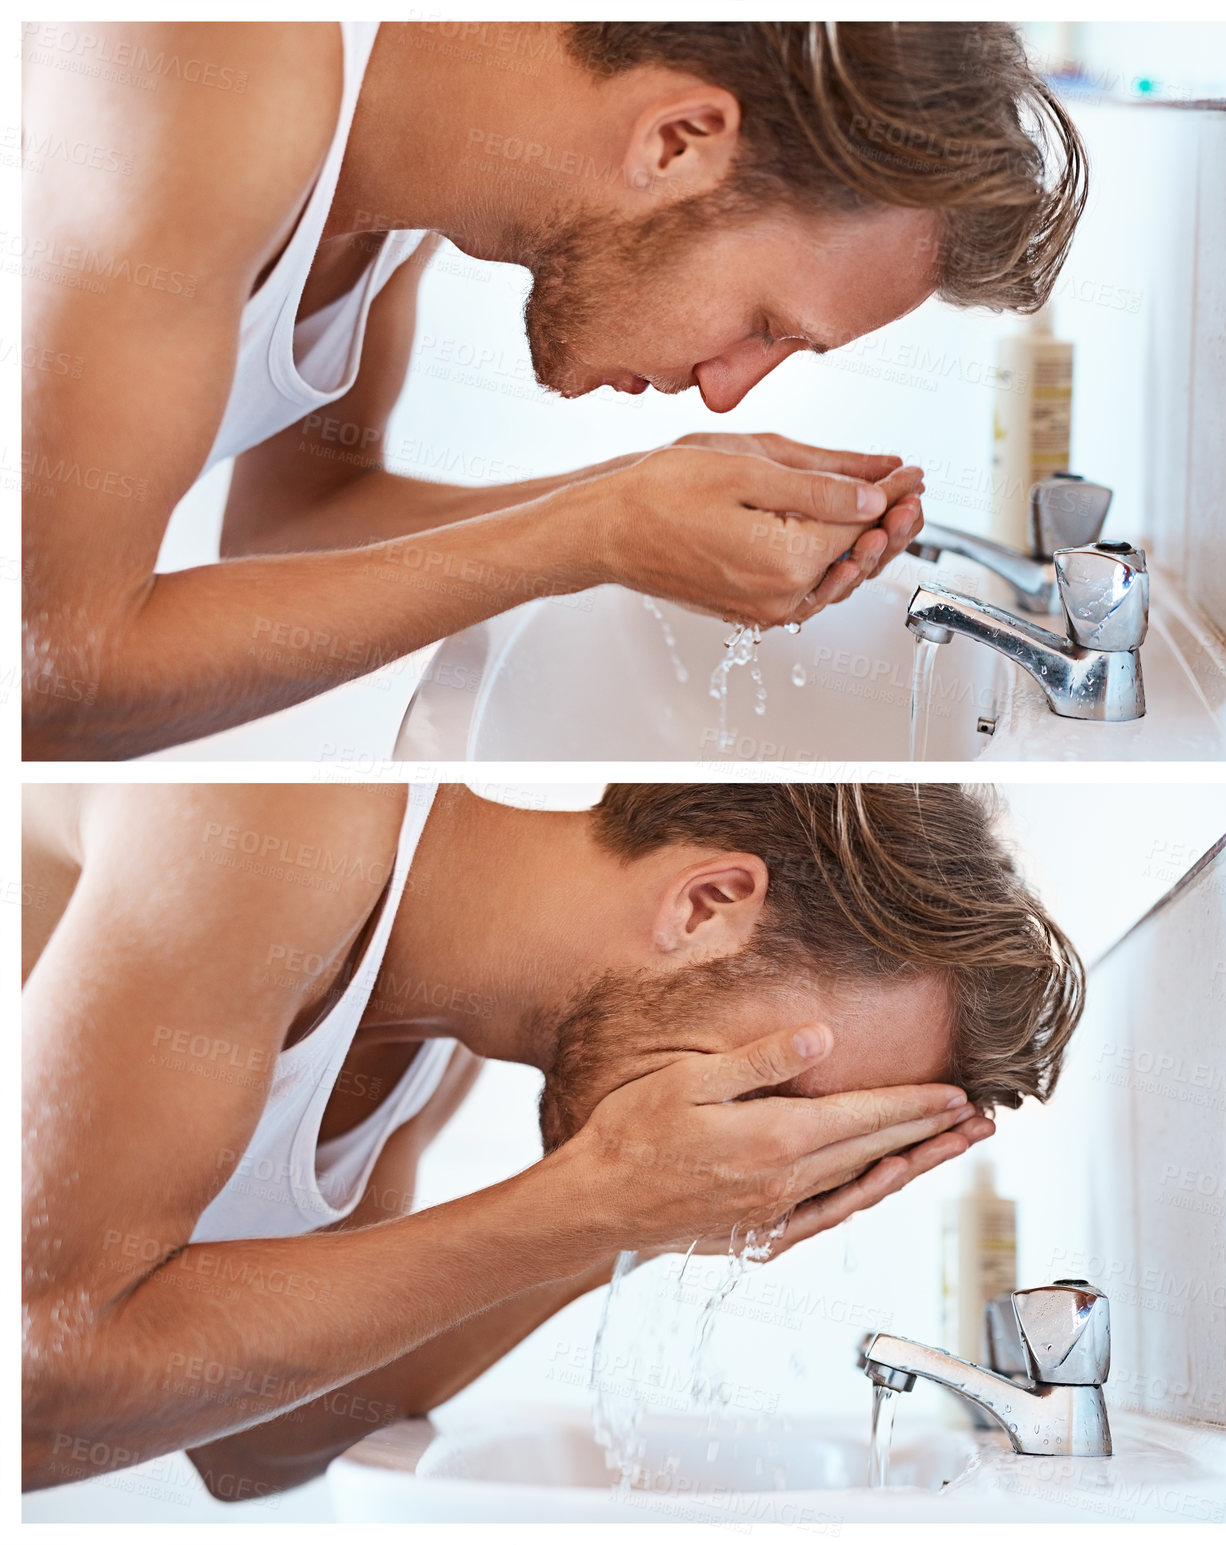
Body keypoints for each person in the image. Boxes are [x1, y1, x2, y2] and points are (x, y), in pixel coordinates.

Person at [22, 20, 1085, 757]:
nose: (727, 394)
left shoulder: (399, 187)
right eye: (767, 327)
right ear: (677, 142)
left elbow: (296, 525)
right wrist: (592, 536)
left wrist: (639, 497)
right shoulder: (213, 69)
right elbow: (45, 684)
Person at [22, 781, 1082, 1496]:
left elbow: (253, 1442)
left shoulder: (431, 1045)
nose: (765, 1157)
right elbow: (33, 1394)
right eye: (789, 1094)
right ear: (709, 903)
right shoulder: (287, 818)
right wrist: (587, 1204)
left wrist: (617, 1226)